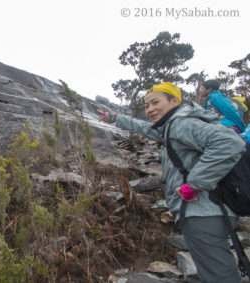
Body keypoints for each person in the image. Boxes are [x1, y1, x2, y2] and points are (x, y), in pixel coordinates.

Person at [98, 82, 246, 283]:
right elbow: (145, 127)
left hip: (202, 212)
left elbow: (230, 142)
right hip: (209, 210)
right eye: (147, 105)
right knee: (215, 271)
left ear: (174, 100)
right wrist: (115, 118)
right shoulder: (172, 126)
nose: (150, 109)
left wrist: (193, 184)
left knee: (219, 276)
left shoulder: (181, 124)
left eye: (156, 102)